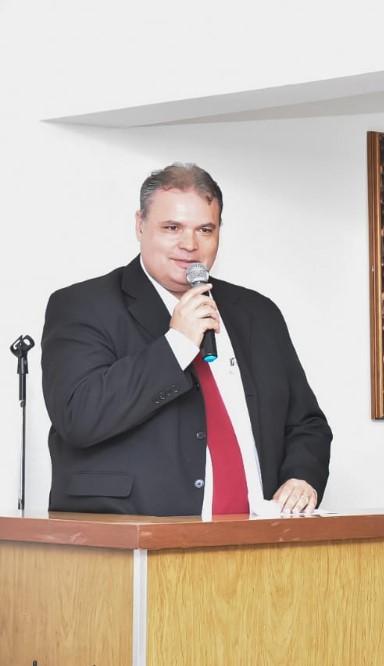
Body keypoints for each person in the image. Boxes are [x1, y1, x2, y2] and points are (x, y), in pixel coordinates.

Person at [41, 163, 332, 518]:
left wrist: (302, 477)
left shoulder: (257, 313)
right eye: (172, 227)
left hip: (256, 534)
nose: (190, 245)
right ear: (140, 224)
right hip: (132, 534)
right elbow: (79, 417)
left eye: (205, 230)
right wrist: (176, 346)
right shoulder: (82, 305)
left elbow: (306, 423)